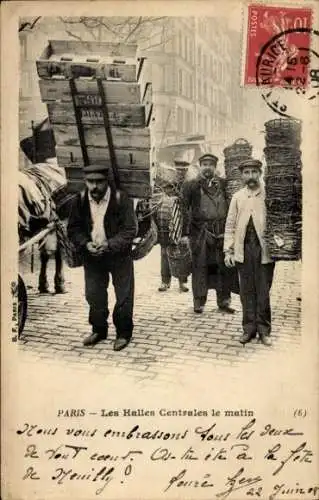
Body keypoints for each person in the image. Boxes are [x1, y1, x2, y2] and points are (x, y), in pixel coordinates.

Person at [67, 164, 138, 350]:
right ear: (85, 182)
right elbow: (73, 228)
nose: (94, 187)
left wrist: (110, 244)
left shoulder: (121, 199)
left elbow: (130, 229)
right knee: (94, 293)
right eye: (90, 182)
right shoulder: (80, 200)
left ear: (107, 182)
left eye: (99, 182)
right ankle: (99, 329)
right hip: (93, 256)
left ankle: (123, 333)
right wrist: (85, 244)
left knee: (123, 294)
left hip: (118, 255)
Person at [224, 158, 275, 346]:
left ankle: (264, 330)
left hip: (264, 250)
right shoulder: (237, 197)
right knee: (246, 291)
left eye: (254, 172)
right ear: (242, 175)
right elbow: (229, 225)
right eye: (247, 172)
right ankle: (248, 329)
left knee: (263, 290)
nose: (251, 176)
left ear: (260, 174)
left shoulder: (267, 194)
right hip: (243, 250)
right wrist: (228, 251)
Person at [182, 153, 238, 314]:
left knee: (224, 266)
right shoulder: (191, 185)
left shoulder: (224, 184)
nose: (208, 167)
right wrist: (185, 234)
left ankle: (224, 301)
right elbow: (184, 210)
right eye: (204, 164)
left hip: (221, 230)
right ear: (200, 166)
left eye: (211, 164)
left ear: (215, 167)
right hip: (200, 232)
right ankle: (199, 301)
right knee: (200, 267)